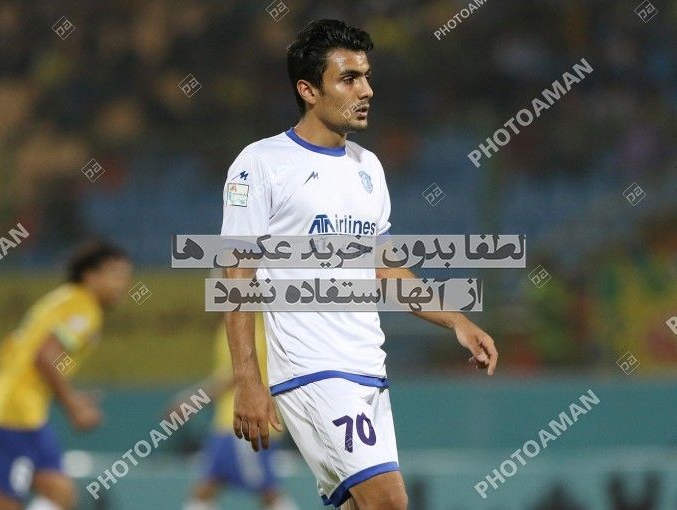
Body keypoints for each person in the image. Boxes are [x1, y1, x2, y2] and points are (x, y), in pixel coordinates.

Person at [220, 19, 498, 510]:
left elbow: (384, 269)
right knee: (389, 503)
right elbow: (237, 276)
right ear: (308, 90)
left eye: (366, 76)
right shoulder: (260, 164)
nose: (366, 90)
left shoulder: (368, 167)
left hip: (368, 369)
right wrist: (247, 379)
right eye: (348, 78)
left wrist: (456, 320)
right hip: (313, 371)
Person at [0, 242, 132, 510]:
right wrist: (72, 407)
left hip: (24, 412)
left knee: (61, 492)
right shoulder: (82, 308)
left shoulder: (68, 299)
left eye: (126, 276)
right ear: (90, 276)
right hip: (9, 414)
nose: (123, 284)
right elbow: (45, 358)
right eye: (115, 274)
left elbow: (44, 360)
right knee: (9, 501)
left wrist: (72, 397)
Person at [168, 312, 299, 510]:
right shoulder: (228, 325)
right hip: (228, 424)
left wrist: (191, 403)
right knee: (209, 486)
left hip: (246, 424)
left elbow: (237, 376)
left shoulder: (250, 324)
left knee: (267, 490)